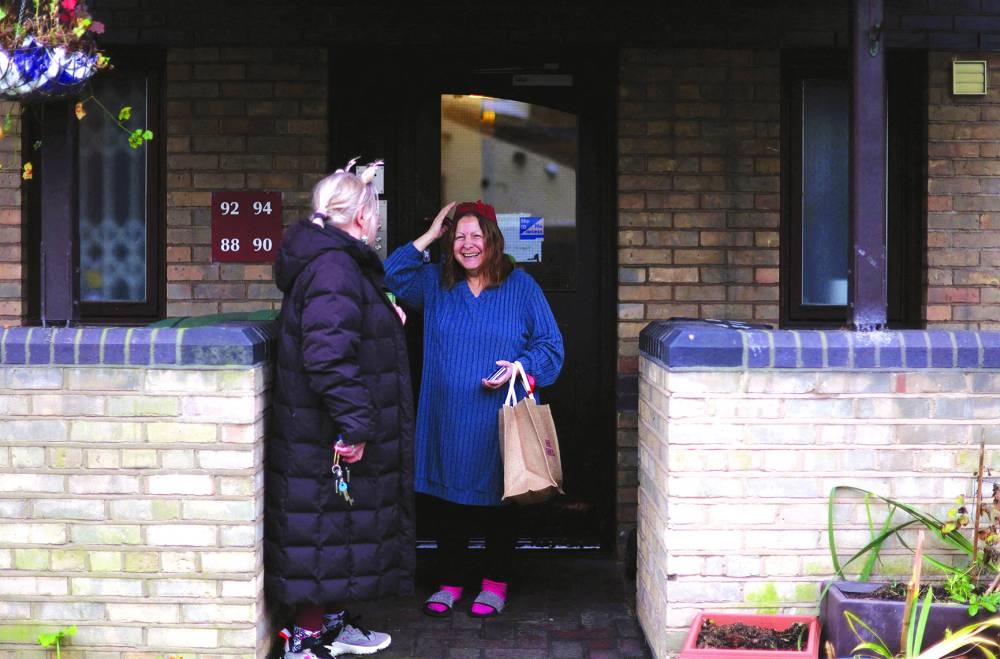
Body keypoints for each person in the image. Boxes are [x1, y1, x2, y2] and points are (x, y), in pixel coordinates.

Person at [384, 199, 564, 619]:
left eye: (475, 236)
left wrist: (522, 367)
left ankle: (495, 583)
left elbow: (551, 347)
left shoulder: (521, 286)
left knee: (501, 501)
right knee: (449, 504)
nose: (467, 244)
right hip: (447, 415)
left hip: (499, 417)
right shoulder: (435, 283)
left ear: (493, 240)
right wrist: (431, 233)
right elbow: (391, 273)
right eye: (458, 236)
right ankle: (450, 582)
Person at [266, 158, 414, 658]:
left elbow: (344, 329)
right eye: (373, 212)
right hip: (324, 429)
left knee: (336, 529)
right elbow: (327, 355)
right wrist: (355, 425)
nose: (376, 222)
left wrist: (384, 312)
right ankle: (306, 638)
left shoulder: (335, 260)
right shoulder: (334, 266)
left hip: (319, 427)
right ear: (359, 216)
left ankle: (331, 623)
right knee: (323, 528)